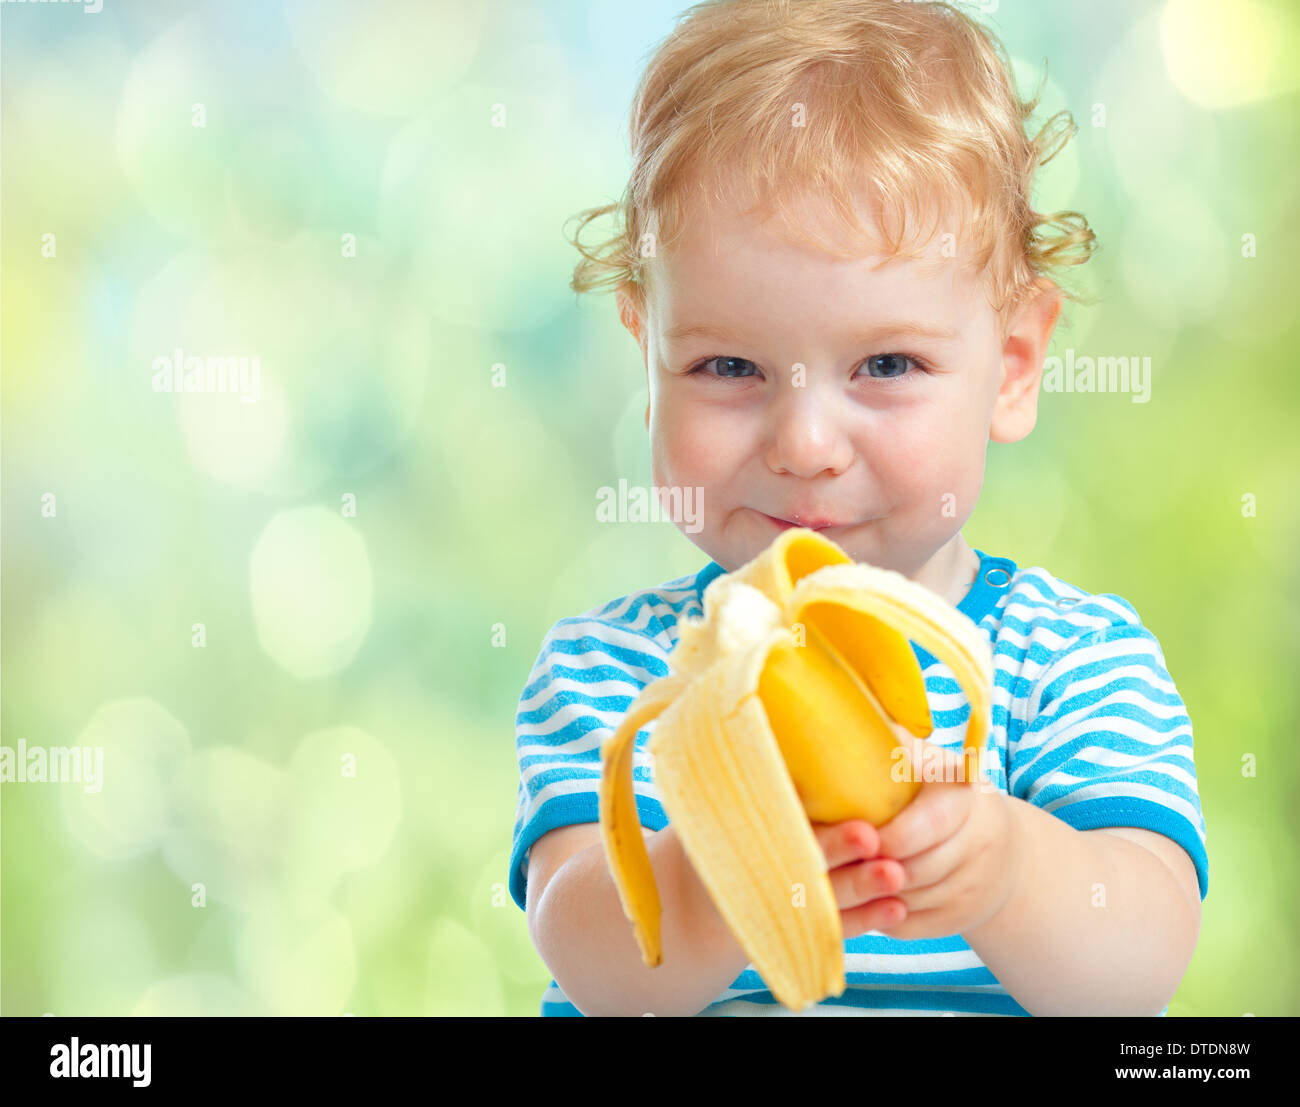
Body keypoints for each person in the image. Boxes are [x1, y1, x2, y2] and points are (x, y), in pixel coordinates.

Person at [510, 0, 1207, 1016]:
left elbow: (1136, 969)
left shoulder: (1070, 665)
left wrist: (1007, 867)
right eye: (728, 365)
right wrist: (719, 872)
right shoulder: (619, 678)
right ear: (645, 359)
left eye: (885, 364)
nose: (803, 445)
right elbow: (595, 967)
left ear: (1011, 367)